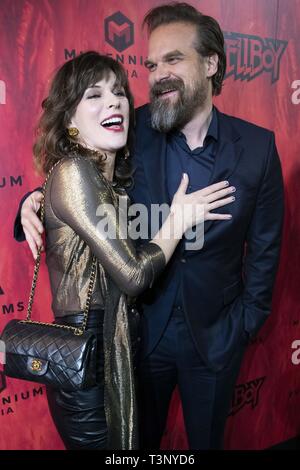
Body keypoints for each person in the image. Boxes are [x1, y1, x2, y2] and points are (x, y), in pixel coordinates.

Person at [14, 3, 284, 450]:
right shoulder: (131, 130)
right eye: (152, 63)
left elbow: (266, 246)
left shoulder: (257, 147)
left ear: (211, 62)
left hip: (216, 339)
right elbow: (76, 175)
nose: (159, 74)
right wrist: (30, 202)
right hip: (137, 341)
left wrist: (246, 324)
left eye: (173, 59)